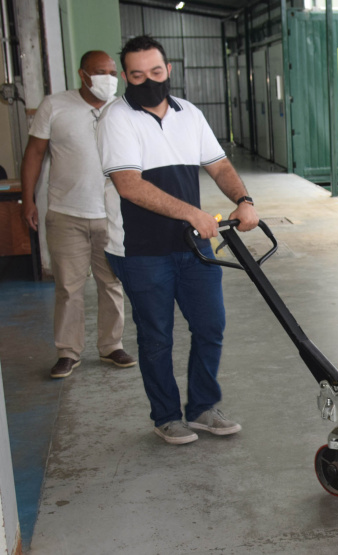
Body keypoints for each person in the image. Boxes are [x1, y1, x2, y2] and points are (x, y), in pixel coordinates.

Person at [96, 35, 258, 445]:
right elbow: (129, 186)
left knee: (210, 325)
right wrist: (192, 213)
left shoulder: (189, 114)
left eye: (155, 71)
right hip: (140, 250)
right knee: (156, 336)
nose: (148, 80)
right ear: (126, 77)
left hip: (193, 246)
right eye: (136, 74)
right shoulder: (116, 118)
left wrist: (243, 200)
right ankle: (166, 416)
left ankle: (202, 407)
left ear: (168, 70)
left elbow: (219, 165)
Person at [20, 50, 136, 379]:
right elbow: (34, 154)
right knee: (68, 287)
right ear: (83, 75)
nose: (108, 78)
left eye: (113, 71)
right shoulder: (55, 106)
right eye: (100, 71)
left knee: (111, 282)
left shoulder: (123, 108)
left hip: (112, 215)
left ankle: (111, 345)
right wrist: (27, 200)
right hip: (65, 213)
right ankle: (68, 352)